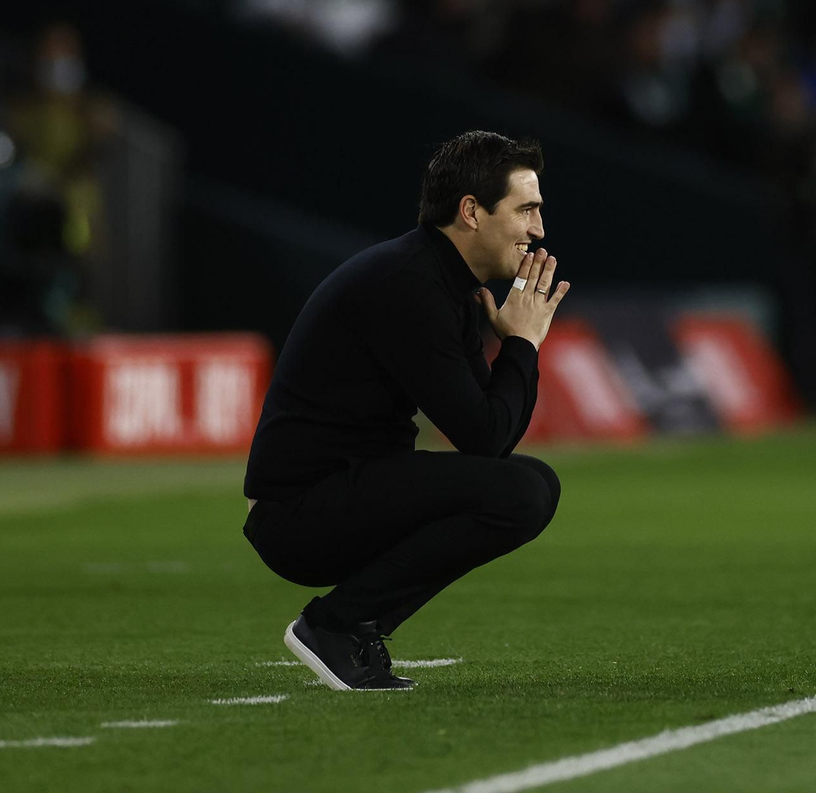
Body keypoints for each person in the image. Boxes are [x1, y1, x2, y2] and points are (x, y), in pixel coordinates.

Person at [242, 130, 570, 689]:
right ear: (471, 211)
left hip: (341, 492)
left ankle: (348, 624)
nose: (538, 229)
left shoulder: (440, 281)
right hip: (303, 512)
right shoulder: (410, 284)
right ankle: (337, 625)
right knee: (523, 490)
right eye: (526, 210)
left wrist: (519, 345)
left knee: (530, 484)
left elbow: (491, 436)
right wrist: (521, 345)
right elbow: (486, 439)